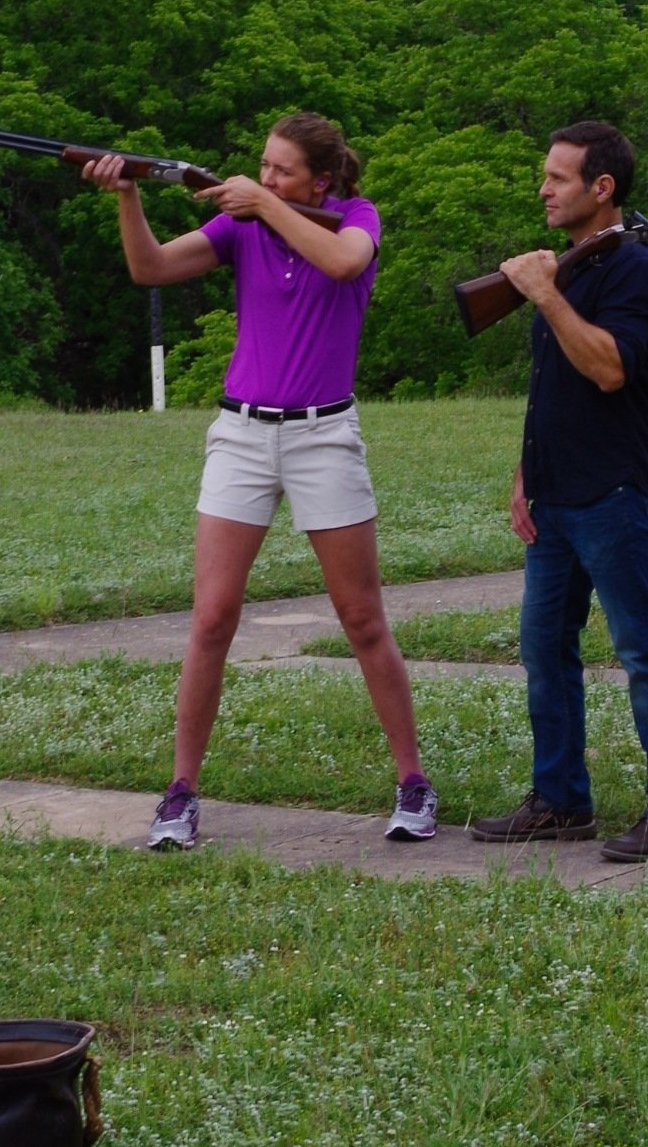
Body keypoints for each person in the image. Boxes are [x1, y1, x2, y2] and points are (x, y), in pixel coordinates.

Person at [83, 113, 436, 850]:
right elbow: (149, 269)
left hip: (323, 434)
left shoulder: (353, 218)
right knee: (211, 618)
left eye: (281, 169)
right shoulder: (240, 228)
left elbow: (343, 261)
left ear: (323, 180)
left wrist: (262, 202)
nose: (265, 177)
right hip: (241, 435)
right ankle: (181, 792)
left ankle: (412, 781)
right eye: (263, 167)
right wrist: (127, 196)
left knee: (363, 619)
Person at [470, 119, 648, 862]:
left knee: (643, 648)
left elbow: (607, 367)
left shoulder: (634, 273)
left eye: (557, 177)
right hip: (557, 496)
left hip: (614, 493)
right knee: (544, 648)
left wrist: (545, 294)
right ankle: (561, 800)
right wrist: (524, 471)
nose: (542, 187)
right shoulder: (570, 268)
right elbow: (554, 388)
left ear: (601, 188)